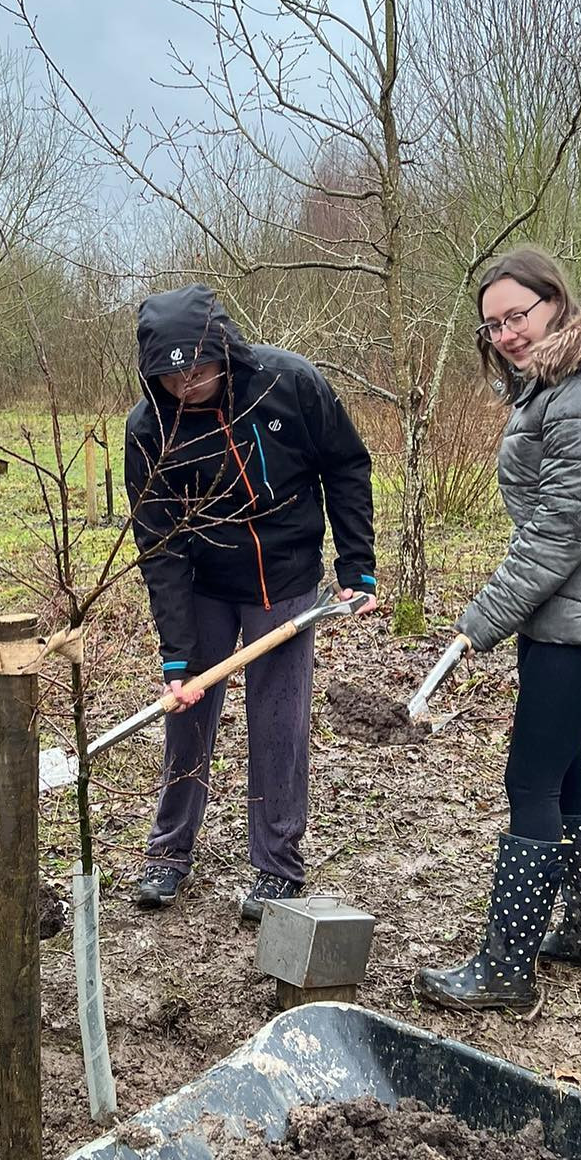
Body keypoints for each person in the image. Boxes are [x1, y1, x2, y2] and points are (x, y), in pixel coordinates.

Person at [413, 248, 581, 1010]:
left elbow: (559, 533)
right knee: (560, 770)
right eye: (492, 326)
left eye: (516, 315)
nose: (506, 334)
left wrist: (478, 623)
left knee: (529, 777)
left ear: (556, 303)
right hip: (569, 609)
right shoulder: (561, 386)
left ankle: (506, 969)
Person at [125, 284, 377, 922]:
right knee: (187, 711)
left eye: (201, 365)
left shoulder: (289, 385)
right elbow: (160, 547)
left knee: (278, 719)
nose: (189, 381)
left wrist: (357, 566)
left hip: (285, 577)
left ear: (226, 349)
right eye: (172, 373)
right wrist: (178, 656)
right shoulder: (149, 430)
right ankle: (169, 854)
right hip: (204, 583)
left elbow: (346, 466)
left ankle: (276, 868)